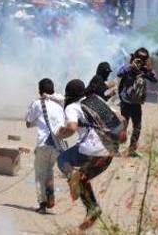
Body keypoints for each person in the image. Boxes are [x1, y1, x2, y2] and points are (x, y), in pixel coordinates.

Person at [57, 79, 113, 230]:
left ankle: (71, 178)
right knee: (83, 178)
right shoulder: (97, 101)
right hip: (109, 152)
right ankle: (93, 208)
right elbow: (119, 121)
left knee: (63, 159)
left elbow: (72, 128)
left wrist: (61, 133)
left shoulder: (73, 107)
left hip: (91, 150)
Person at [25, 78, 66, 214]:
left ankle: (42, 204)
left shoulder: (37, 103)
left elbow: (28, 122)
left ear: (40, 90)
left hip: (43, 143)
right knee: (49, 171)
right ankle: (50, 195)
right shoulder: (60, 105)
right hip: (58, 145)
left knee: (40, 174)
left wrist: (37, 119)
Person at [117, 48, 158, 157]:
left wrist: (149, 69)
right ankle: (115, 148)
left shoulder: (144, 70)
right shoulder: (128, 67)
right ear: (134, 57)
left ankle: (132, 150)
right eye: (138, 58)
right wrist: (131, 66)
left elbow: (155, 80)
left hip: (136, 103)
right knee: (123, 126)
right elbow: (119, 73)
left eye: (143, 59)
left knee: (137, 127)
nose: (140, 61)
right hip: (126, 101)